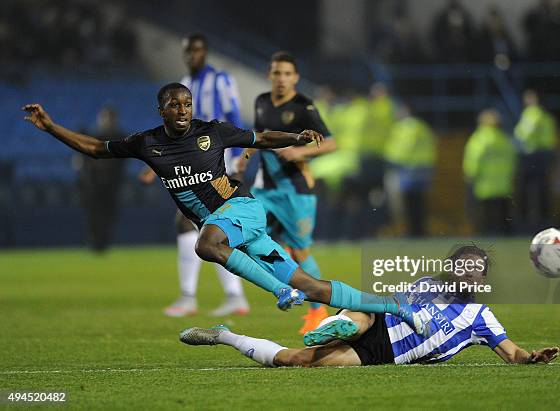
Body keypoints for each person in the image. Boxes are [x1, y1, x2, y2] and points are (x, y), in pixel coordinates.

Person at [22, 83, 425, 333]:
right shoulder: (147, 143)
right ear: (160, 110)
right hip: (237, 228)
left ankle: (277, 290)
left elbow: (260, 137)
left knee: (205, 244)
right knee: (313, 287)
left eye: (187, 103)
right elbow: (95, 149)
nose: (183, 110)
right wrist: (51, 126)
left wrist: (295, 137)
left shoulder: (212, 132)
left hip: (241, 211)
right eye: (174, 105)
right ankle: (396, 307)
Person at [179, 246, 560, 367]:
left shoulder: (482, 319)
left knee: (297, 362)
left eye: (476, 270)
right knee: (365, 312)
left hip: (386, 354)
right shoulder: (428, 284)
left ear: (482, 278)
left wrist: (532, 358)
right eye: (463, 266)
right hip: (381, 322)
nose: (469, 274)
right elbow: (390, 301)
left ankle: (226, 336)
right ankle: (340, 321)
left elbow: (512, 355)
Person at [140, 33, 248, 317]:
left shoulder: (221, 80)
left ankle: (194, 297)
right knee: (205, 227)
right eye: (188, 51)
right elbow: (174, 134)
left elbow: (235, 117)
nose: (192, 55)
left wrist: (238, 160)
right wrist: (155, 165)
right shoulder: (185, 85)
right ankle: (233, 296)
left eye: (197, 50)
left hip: (217, 163)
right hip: (192, 164)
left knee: (192, 223)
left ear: (206, 52)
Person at [240, 52, 336, 334]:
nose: (281, 78)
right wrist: (244, 154)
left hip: (295, 192)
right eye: (276, 73)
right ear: (270, 75)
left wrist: (299, 151)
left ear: (295, 78)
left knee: (301, 250)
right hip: (265, 189)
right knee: (250, 239)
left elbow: (330, 144)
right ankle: (284, 288)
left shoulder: (304, 106)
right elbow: (258, 135)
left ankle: (318, 311)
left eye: (286, 74)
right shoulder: (261, 102)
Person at [74, 106, 125, 252]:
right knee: (94, 215)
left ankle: (103, 243)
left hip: (112, 185)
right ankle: (95, 243)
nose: (106, 121)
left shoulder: (120, 138)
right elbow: (82, 159)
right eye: (105, 117)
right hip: (94, 185)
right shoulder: (94, 137)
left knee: (109, 214)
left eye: (109, 118)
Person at [383, 104, 436, 237]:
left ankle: (414, 231)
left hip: (410, 168)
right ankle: (418, 230)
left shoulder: (408, 127)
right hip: (423, 166)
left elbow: (405, 147)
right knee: (419, 201)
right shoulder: (422, 126)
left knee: (410, 201)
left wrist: (390, 159)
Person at [463, 109, 516, 235]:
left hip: (484, 187)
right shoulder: (504, 140)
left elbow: (474, 160)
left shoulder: (480, 139)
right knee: (503, 221)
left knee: (485, 222)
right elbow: (512, 161)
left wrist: (470, 175)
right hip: (503, 186)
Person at [514, 90, 556, 232]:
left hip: (531, 155)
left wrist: (517, 142)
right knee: (542, 191)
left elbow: (523, 134)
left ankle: (524, 224)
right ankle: (545, 222)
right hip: (544, 155)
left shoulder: (532, 114)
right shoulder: (546, 116)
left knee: (525, 191)